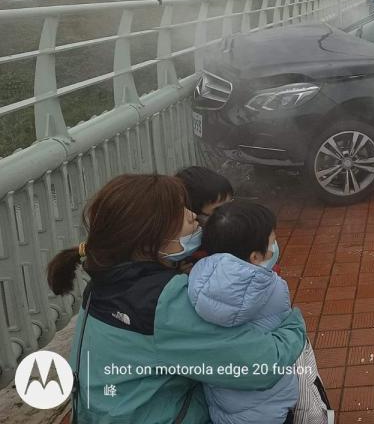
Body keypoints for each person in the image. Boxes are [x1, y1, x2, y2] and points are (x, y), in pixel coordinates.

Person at [46, 174, 306, 424]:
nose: (193, 215)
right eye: (179, 212)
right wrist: (292, 324)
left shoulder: (106, 282)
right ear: (150, 237)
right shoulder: (163, 302)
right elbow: (261, 366)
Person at [188, 201, 325, 424]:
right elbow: (284, 339)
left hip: (224, 404)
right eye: (272, 242)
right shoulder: (272, 288)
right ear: (255, 257)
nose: (275, 247)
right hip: (271, 404)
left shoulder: (195, 280)